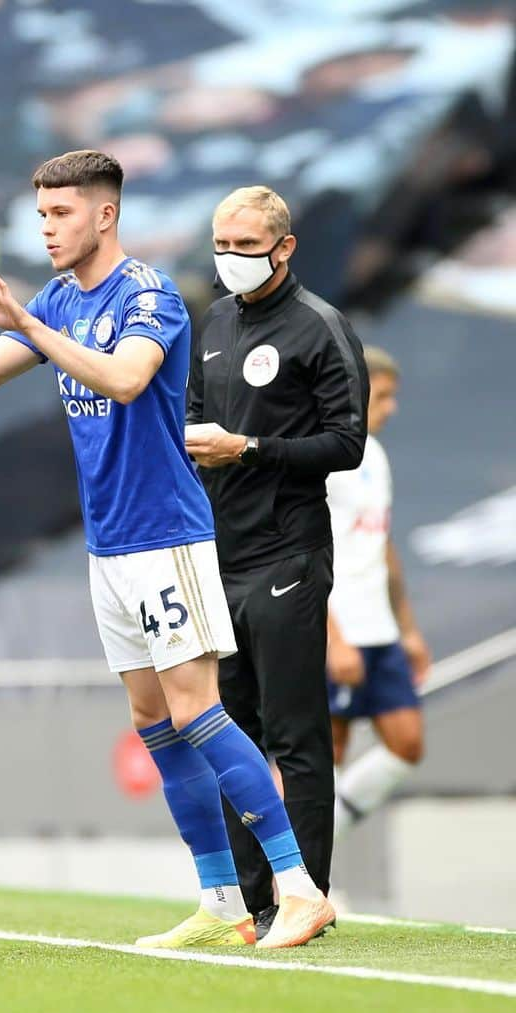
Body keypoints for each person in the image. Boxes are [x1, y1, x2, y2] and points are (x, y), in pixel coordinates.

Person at [0, 150, 335, 949]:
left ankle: (299, 888)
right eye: (40, 216)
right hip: (108, 543)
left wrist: (30, 325)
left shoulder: (148, 294)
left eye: (60, 213)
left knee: (198, 711)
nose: (46, 229)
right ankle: (220, 899)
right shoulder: (59, 297)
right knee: (154, 723)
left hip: (166, 535)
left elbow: (128, 380)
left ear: (104, 214)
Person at [185, 185, 368, 939]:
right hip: (217, 557)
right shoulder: (214, 321)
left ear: (283, 247)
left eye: (245, 246)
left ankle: (308, 897)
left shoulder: (321, 328)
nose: (230, 259)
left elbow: (346, 444)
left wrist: (251, 449)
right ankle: (254, 902)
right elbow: (191, 415)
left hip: (288, 552)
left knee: (295, 733)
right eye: (220, 245)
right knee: (232, 730)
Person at [326, 346, 429, 837]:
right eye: (383, 396)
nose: (391, 408)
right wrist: (332, 638)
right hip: (337, 625)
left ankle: (318, 853)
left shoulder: (378, 455)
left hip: (380, 629)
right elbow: (302, 550)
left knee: (406, 743)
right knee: (326, 755)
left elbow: (381, 545)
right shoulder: (325, 454)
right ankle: (293, 881)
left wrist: (407, 629)